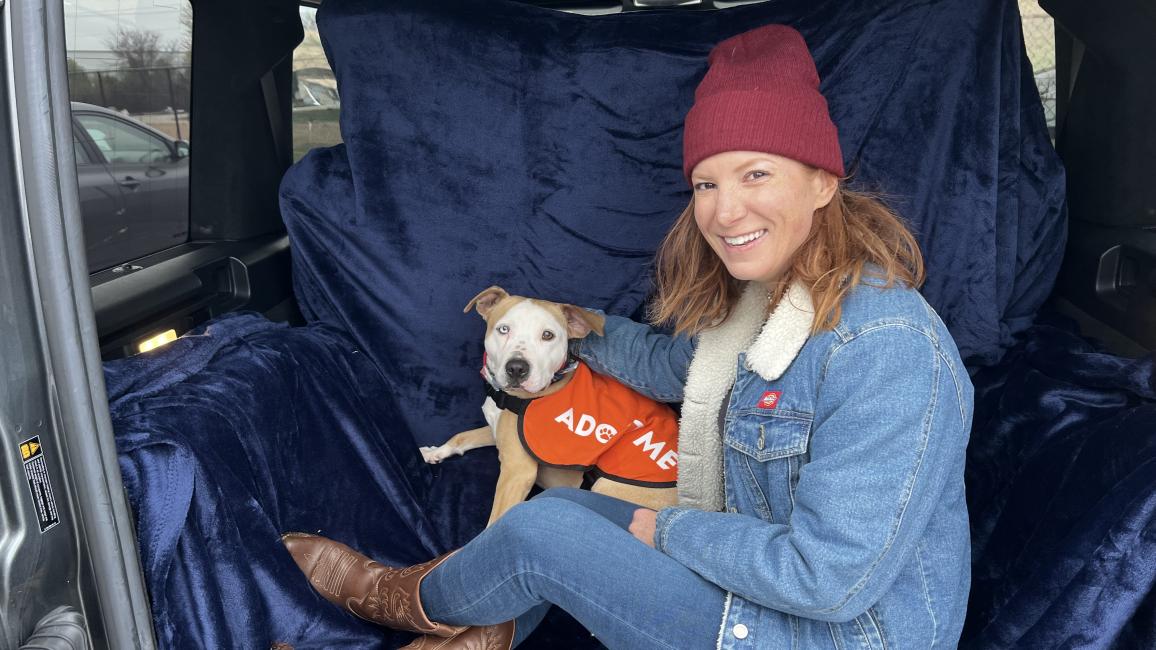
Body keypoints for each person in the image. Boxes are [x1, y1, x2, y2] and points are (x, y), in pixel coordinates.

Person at [281, 23, 973, 650]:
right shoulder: (763, 311)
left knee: (541, 533)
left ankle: (390, 596)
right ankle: (442, 636)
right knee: (561, 508)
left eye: (756, 173)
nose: (725, 210)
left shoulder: (888, 347)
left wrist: (667, 530)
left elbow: (830, 581)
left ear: (822, 182)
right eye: (706, 183)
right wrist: (567, 327)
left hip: (836, 636)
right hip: (763, 594)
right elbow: (673, 363)